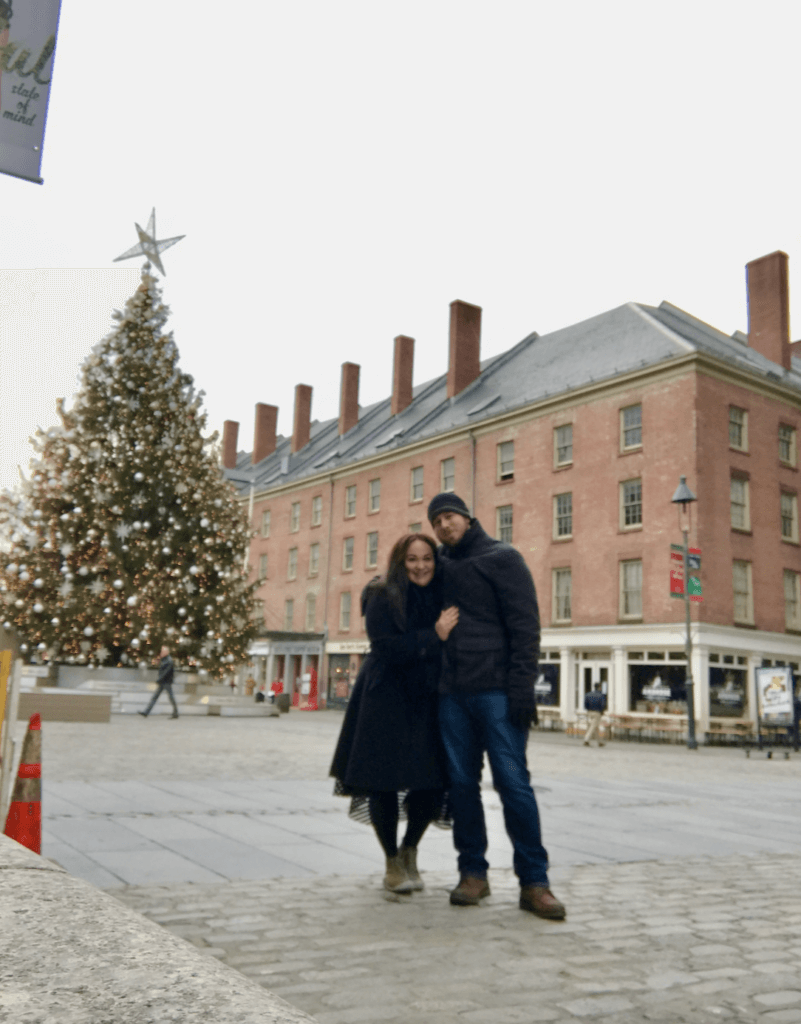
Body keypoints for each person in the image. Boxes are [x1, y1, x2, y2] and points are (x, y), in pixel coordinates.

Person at [428, 492, 566, 920]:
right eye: (437, 521)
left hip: (498, 694)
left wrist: (523, 690)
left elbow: (526, 628)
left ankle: (535, 882)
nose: (444, 526)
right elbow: (408, 583)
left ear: (468, 517)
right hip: (453, 693)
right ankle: (473, 872)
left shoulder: (503, 558)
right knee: (462, 786)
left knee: (513, 785)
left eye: (449, 516)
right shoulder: (441, 566)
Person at [330, 533, 459, 893]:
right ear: (400, 562)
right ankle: (390, 861)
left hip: (429, 697)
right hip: (385, 698)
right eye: (412, 560)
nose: (420, 566)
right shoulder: (381, 593)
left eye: (427, 558)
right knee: (382, 783)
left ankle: (409, 850)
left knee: (431, 782)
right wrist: (435, 635)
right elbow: (385, 647)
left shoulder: (444, 596)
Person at [138, 646, 179, 718]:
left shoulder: (169, 660)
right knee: (156, 697)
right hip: (163, 681)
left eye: (163, 652)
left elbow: (166, 672)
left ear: (166, 652)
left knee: (170, 697)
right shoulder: (164, 660)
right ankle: (146, 712)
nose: (161, 653)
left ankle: (175, 713)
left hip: (166, 682)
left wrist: (159, 679)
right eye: (161, 651)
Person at [583, 683, 607, 747]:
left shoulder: (588, 694)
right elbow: (602, 705)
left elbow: (585, 704)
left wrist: (588, 709)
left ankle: (600, 742)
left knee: (595, 727)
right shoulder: (601, 695)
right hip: (597, 712)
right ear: (599, 687)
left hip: (590, 712)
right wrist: (602, 711)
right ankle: (586, 740)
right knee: (593, 726)